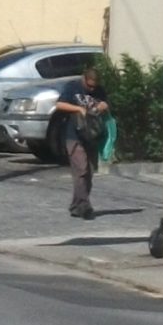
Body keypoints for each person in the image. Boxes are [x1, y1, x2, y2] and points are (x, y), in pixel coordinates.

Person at [47, 58, 110, 220]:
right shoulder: (73, 87)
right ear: (84, 79)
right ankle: (84, 205)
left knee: (88, 172)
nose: (91, 89)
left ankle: (76, 206)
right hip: (73, 135)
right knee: (80, 169)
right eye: (89, 86)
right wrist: (78, 109)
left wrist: (103, 105)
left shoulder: (99, 90)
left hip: (91, 136)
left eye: (94, 87)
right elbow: (59, 105)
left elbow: (105, 105)